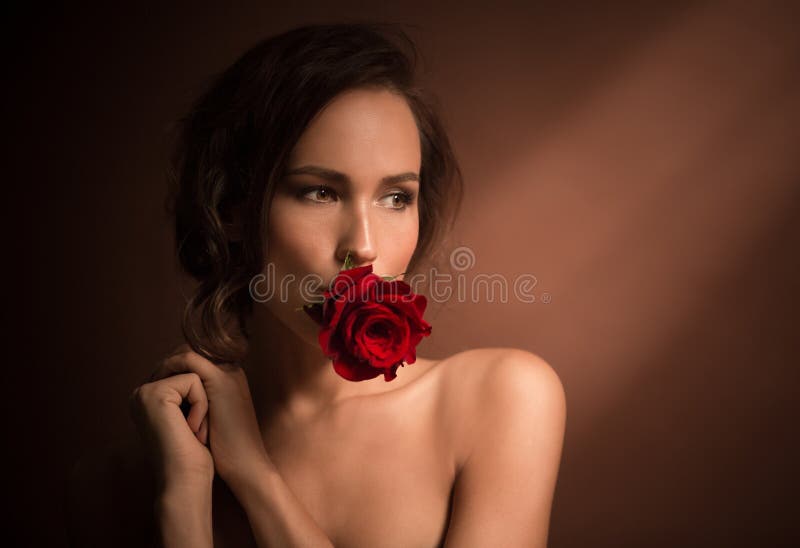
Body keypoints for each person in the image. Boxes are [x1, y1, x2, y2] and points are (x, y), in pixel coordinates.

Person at [66, 22, 566, 548]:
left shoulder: (500, 400)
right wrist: (183, 501)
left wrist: (256, 477)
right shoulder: (117, 484)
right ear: (232, 207)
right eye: (320, 192)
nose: (365, 246)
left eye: (397, 197)